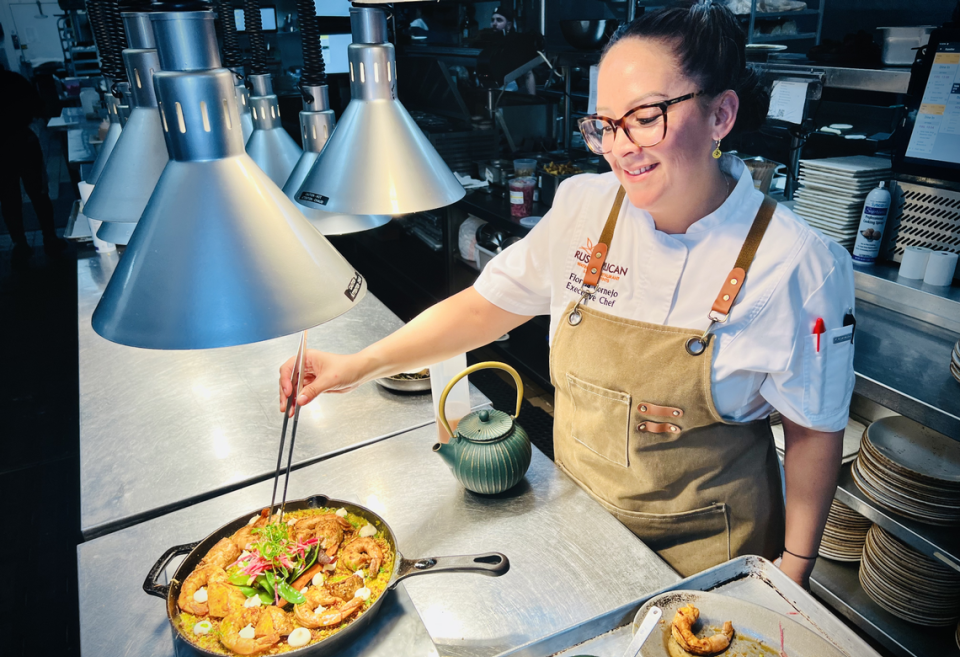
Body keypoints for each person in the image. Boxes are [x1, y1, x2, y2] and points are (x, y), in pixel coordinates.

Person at [279, 1, 854, 588]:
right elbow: (484, 307)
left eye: (645, 116)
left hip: (709, 563)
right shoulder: (585, 205)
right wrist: (356, 363)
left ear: (721, 114)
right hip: (577, 528)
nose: (619, 146)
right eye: (604, 124)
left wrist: (795, 568)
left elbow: (814, 430)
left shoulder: (799, 266)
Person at [0, 63, 63, 260]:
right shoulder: (14, 80)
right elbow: (37, 106)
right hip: (23, 141)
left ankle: (20, 243)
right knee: (39, 193)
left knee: (9, 198)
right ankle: (50, 237)